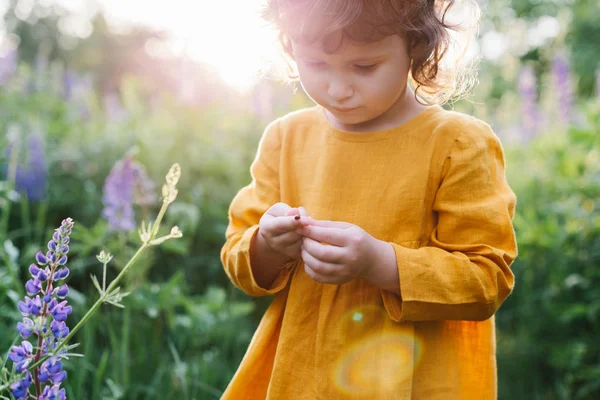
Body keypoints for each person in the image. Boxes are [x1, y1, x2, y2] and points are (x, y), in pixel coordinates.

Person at [220, 0, 517, 399]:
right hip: (302, 377)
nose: (338, 89)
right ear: (290, 46)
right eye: (317, 65)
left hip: (414, 381)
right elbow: (238, 256)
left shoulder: (457, 143)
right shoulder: (286, 138)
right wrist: (268, 244)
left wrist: (379, 261)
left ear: (415, 46)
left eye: (364, 67)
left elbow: (487, 279)